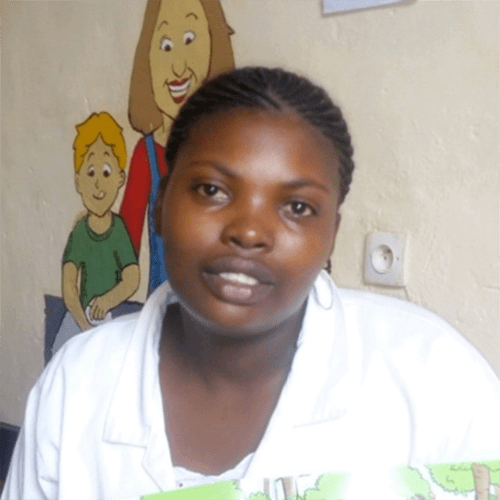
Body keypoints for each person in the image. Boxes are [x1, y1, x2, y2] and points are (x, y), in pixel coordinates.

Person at [2, 68, 499, 500]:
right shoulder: (78, 383)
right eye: (212, 190)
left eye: (297, 207)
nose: (248, 231)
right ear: (160, 206)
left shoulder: (434, 379)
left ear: (331, 237)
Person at [120, 0, 235, 295]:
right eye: (166, 46)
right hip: (164, 308)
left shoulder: (232, 150)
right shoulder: (146, 156)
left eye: (190, 39)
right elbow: (124, 246)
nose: (178, 66)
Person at [52, 112, 140, 353]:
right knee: (60, 355)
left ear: (120, 178)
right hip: (80, 316)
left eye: (106, 172)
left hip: (108, 316)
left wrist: (107, 300)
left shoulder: (118, 229)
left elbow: (132, 277)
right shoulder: (80, 233)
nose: (98, 183)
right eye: (90, 172)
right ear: (78, 181)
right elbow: (69, 284)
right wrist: (83, 324)